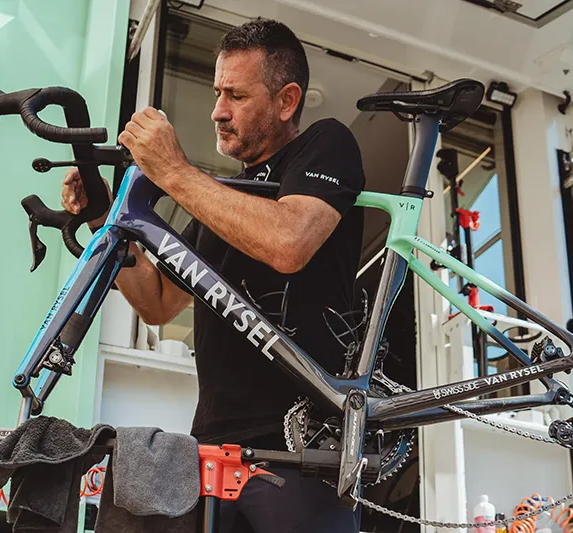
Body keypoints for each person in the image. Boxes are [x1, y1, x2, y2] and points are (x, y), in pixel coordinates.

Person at [62, 18, 366, 533]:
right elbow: (157, 302)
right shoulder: (221, 200)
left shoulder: (326, 143)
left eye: (237, 96)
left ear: (287, 101)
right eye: (217, 93)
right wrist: (103, 216)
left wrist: (174, 172)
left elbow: (288, 242)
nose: (218, 111)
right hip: (213, 449)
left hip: (301, 449)